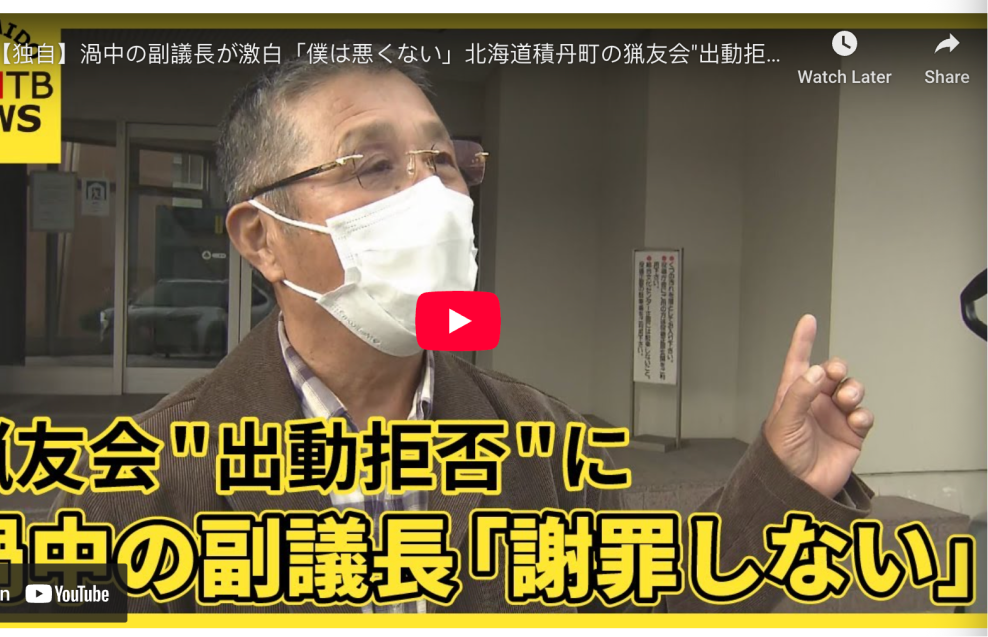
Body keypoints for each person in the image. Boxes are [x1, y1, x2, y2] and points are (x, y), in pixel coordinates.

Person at [54, 49, 875, 613]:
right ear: (262, 237)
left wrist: (784, 484)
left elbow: (651, 601)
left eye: (445, 162)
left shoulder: (543, 439)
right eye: (372, 165)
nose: (433, 197)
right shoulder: (138, 481)